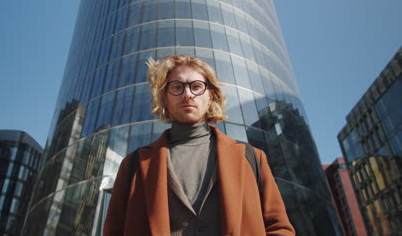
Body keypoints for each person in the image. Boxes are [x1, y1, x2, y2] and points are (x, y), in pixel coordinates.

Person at [103, 54, 295, 236]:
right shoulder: (134, 164)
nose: (187, 94)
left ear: (210, 95)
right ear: (165, 98)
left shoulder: (251, 156)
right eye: (177, 87)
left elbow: (278, 227)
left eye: (196, 86)